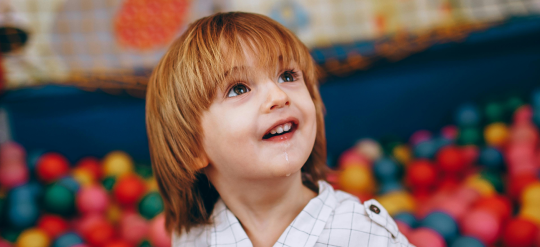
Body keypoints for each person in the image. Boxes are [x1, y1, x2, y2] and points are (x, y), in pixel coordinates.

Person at [145, 12, 413, 247]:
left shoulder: (360, 233)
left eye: (287, 76)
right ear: (193, 147)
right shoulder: (194, 239)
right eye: (239, 89)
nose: (278, 95)